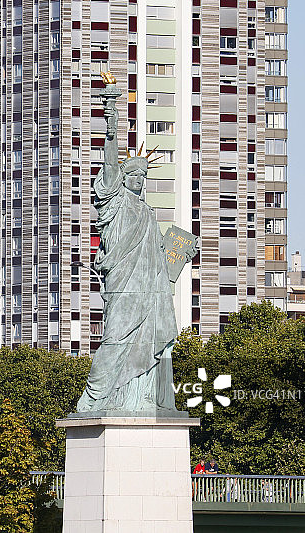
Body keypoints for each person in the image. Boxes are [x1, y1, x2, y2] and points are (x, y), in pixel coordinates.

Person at [75, 73, 196, 414]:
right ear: (122, 178)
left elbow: (159, 254)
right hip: (123, 286)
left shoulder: (147, 211)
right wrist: (111, 111)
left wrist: (181, 251)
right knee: (115, 339)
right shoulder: (113, 199)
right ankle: (96, 397)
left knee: (149, 343)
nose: (140, 181)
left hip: (149, 291)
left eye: (143, 177)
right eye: (134, 176)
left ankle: (141, 398)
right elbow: (109, 158)